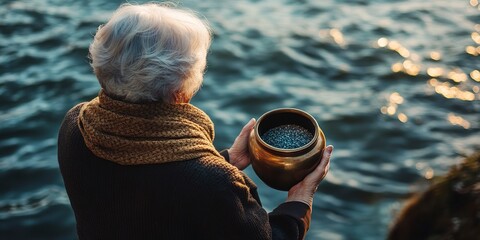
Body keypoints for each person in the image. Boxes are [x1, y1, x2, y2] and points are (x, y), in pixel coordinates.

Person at [57, 3, 333, 240]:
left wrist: (226, 160)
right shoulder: (212, 182)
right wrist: (300, 199)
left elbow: (150, 194)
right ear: (180, 92)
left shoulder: (75, 125)